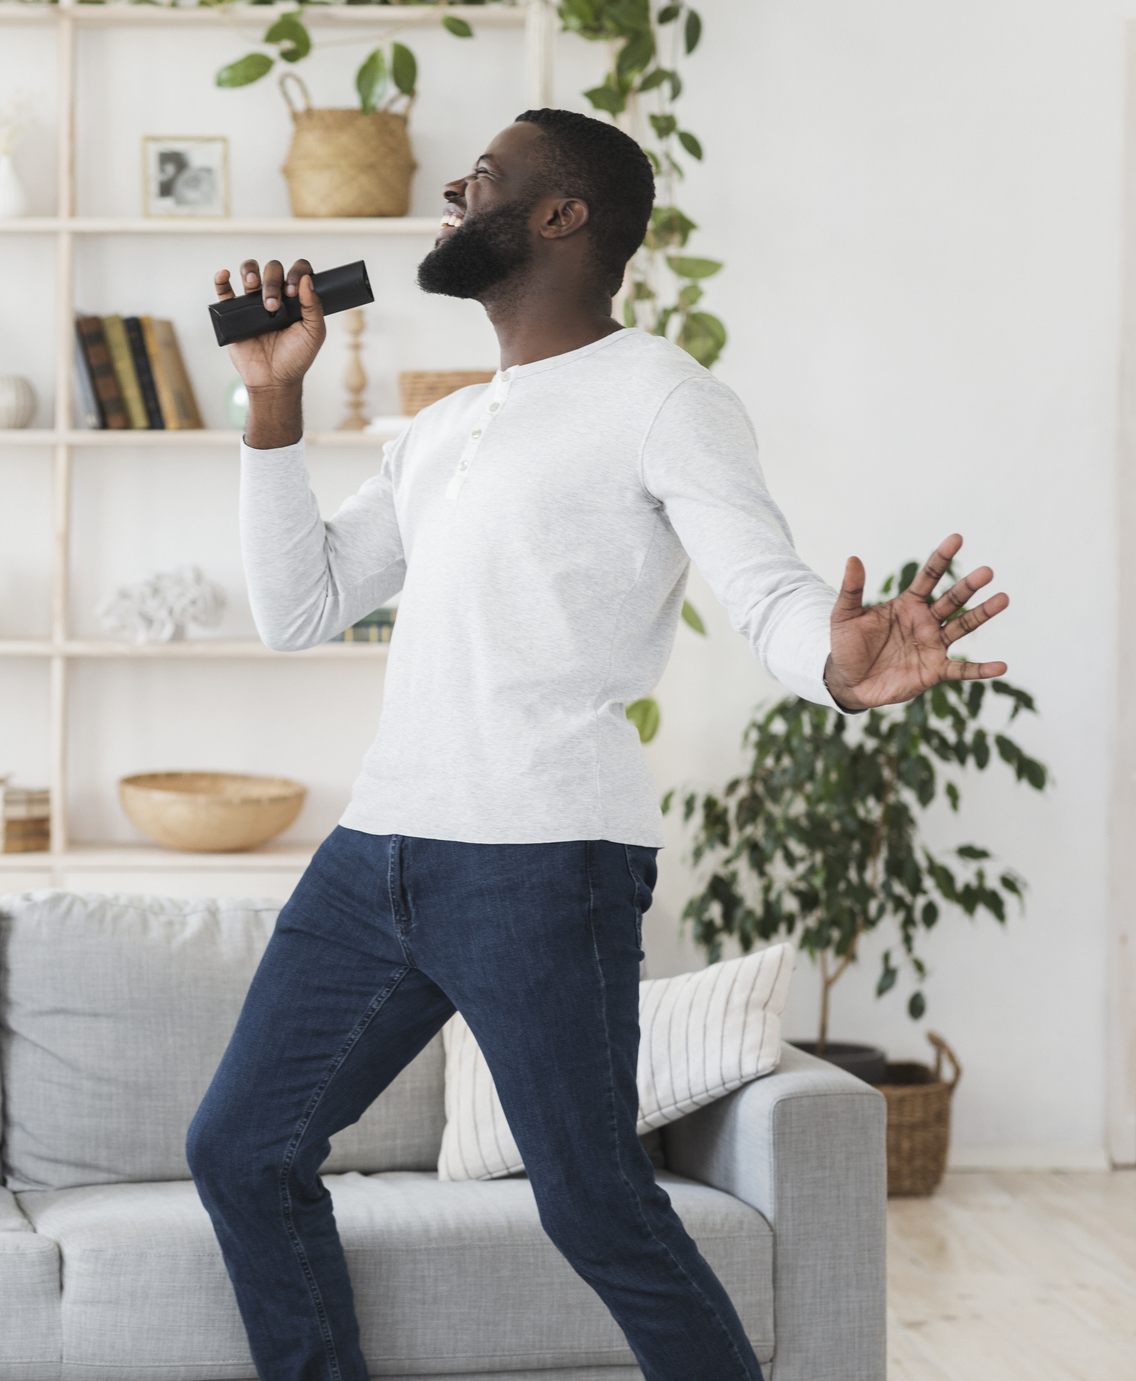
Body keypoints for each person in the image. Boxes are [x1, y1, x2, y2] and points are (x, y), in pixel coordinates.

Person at [188, 108, 1010, 1381]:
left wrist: (838, 664)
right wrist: (275, 402)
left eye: (484, 180)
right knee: (240, 1150)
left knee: (592, 1203)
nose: (453, 195)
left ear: (564, 215)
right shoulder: (447, 429)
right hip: (379, 853)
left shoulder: (663, 398)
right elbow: (298, 608)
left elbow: (769, 586)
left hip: (541, 855)